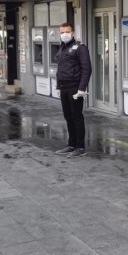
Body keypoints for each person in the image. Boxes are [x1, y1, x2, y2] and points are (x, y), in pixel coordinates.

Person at [53, 22, 92, 158]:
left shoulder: (80, 48)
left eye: (67, 32)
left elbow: (86, 69)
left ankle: (80, 147)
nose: (64, 35)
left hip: (75, 88)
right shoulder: (62, 48)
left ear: (73, 33)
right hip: (64, 88)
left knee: (77, 118)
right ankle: (71, 144)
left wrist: (82, 89)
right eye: (62, 32)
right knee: (68, 117)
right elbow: (60, 69)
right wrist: (58, 86)